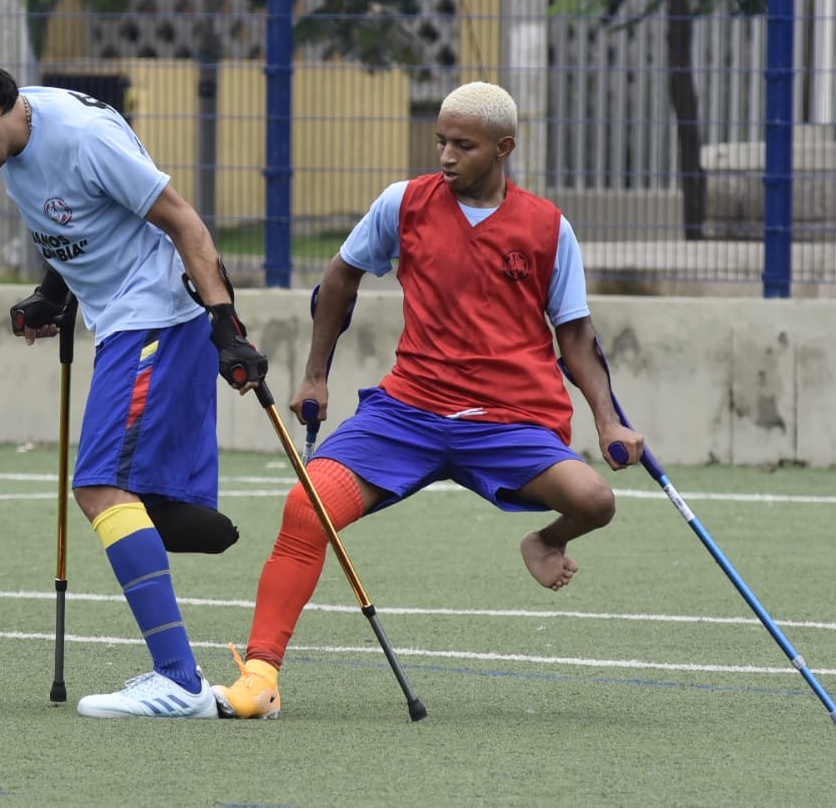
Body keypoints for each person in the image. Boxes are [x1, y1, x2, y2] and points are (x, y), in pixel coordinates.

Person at [211, 81, 646, 719]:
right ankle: (261, 675)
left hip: (509, 421)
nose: (444, 156)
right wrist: (316, 375)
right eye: (440, 140)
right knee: (306, 508)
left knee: (595, 500)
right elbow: (339, 278)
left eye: (462, 146)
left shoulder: (549, 227)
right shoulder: (403, 204)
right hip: (407, 413)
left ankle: (544, 542)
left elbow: (576, 335)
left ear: (504, 149)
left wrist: (608, 419)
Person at [0, 41, 268, 719]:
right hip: (124, 319)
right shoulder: (10, 140)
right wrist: (52, 293)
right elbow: (73, 218)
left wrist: (227, 329)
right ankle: (176, 521)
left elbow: (182, 220)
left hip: (155, 316)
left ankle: (179, 681)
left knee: (98, 486)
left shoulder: (85, 137)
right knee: (123, 494)